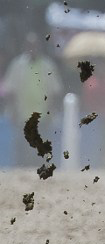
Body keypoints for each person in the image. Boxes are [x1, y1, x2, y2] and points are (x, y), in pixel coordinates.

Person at [2, 32, 63, 166]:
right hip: (21, 113)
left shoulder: (47, 65)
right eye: (29, 45)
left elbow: (54, 91)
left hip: (42, 114)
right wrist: (12, 110)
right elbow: (10, 90)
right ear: (25, 46)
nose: (32, 48)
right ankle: (22, 172)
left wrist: (50, 110)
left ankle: (41, 171)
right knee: (22, 146)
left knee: (41, 145)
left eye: (34, 45)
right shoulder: (17, 64)